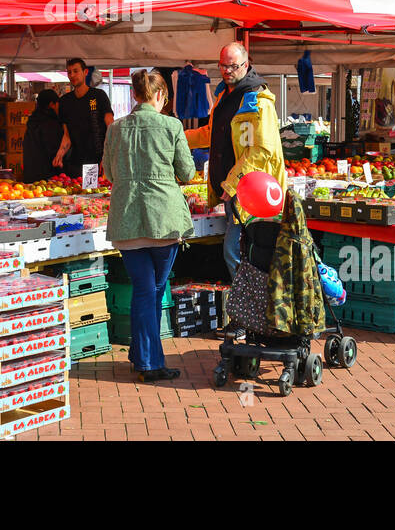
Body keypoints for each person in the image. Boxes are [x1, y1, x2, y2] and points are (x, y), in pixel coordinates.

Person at [102, 70, 194, 382]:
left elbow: (109, 173)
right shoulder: (172, 126)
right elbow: (188, 171)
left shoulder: (116, 129)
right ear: (159, 96)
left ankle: (142, 354)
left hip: (127, 219)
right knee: (150, 290)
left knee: (148, 289)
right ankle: (149, 363)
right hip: (163, 220)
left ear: (135, 95)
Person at [184, 41, 285, 290]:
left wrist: (232, 183)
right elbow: (213, 133)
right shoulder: (224, 96)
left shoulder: (257, 99)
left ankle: (252, 310)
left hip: (254, 195)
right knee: (241, 253)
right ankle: (251, 312)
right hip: (234, 194)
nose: (227, 71)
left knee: (236, 253)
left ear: (246, 64)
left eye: (233, 66)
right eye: (223, 66)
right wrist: (178, 136)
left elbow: (260, 150)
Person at [54, 59, 114, 178]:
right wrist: (59, 154)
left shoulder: (99, 96)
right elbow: (67, 135)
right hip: (75, 162)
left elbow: (111, 128)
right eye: (69, 72)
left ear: (85, 72)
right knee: (77, 195)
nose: (72, 75)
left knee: (96, 194)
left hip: (98, 161)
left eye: (76, 71)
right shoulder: (65, 101)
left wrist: (107, 157)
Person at [21, 90, 64, 184]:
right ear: (52, 104)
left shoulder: (33, 121)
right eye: (57, 104)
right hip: (46, 178)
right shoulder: (50, 123)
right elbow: (53, 150)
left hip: (30, 174)